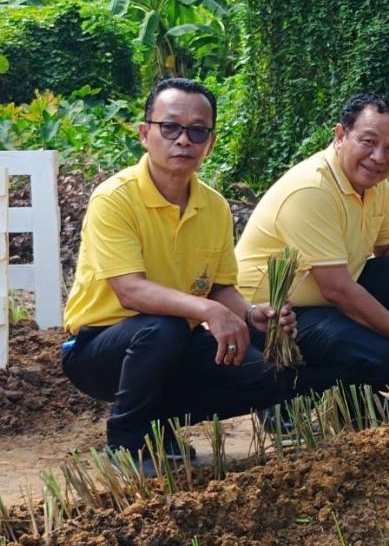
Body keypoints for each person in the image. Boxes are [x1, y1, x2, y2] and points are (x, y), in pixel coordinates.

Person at [61, 78, 290, 465]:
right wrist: (207, 312)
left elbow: (219, 288)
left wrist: (250, 313)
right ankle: (127, 445)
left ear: (210, 142)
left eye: (197, 131)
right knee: (160, 329)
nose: (183, 140)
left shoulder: (213, 207)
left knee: (267, 375)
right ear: (145, 133)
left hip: (173, 342)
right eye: (170, 127)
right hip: (100, 349)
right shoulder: (115, 199)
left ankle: (156, 423)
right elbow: (130, 291)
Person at [236, 93, 389, 415]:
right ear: (340, 135)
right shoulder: (312, 189)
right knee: (378, 352)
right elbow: (338, 289)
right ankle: (282, 402)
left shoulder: (373, 184)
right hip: (272, 318)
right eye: (368, 141)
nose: (379, 157)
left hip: (322, 304)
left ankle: (354, 402)